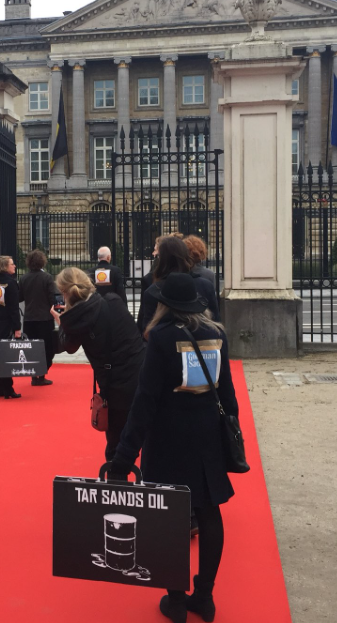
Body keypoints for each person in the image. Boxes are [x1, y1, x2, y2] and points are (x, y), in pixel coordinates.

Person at [110, 272, 239, 623]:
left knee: (170, 519)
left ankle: (177, 600)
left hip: (168, 437)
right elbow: (227, 393)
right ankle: (206, 595)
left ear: (164, 304)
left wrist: (123, 456)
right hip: (208, 434)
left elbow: (145, 401)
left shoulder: (162, 338)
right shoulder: (216, 334)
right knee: (210, 512)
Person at [52, 268, 145, 461]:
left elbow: (66, 347)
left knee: (115, 444)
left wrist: (62, 321)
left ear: (64, 293)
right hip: (142, 375)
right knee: (147, 438)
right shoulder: (113, 301)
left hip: (112, 385)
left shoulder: (74, 321)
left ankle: (116, 482)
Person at [137, 236, 220, 335]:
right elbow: (215, 322)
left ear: (162, 258)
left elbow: (146, 327)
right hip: (202, 342)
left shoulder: (152, 289)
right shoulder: (205, 285)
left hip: (164, 343)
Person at [19, 249, 57, 386]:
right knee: (47, 348)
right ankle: (42, 374)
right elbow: (53, 297)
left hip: (29, 318)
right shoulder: (47, 278)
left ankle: (34, 375)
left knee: (32, 348)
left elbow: (20, 297)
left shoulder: (23, 278)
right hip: (45, 318)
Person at [0, 255, 23, 399]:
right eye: (12, 264)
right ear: (5, 266)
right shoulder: (11, 284)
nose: (14, 266)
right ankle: (8, 388)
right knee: (8, 357)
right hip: (7, 325)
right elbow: (14, 308)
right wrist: (17, 328)